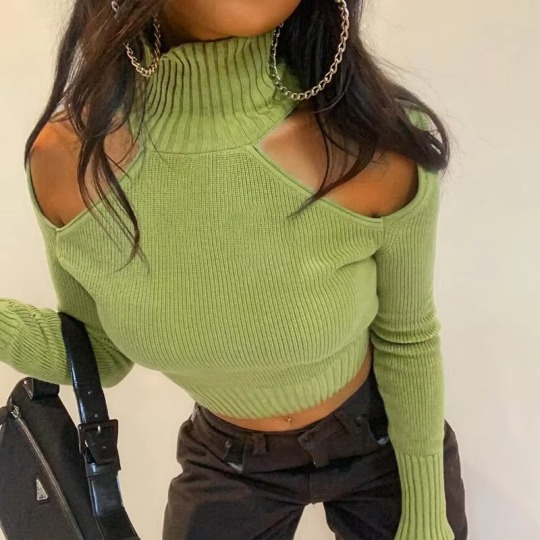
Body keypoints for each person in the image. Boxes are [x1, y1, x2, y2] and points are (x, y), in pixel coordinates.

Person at [1, 1, 468, 538]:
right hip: (229, 460)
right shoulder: (67, 162)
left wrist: (427, 512)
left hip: (384, 443)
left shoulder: (367, 141)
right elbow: (96, 352)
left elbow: (406, 336)